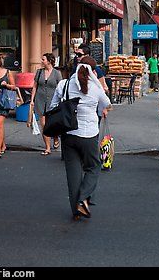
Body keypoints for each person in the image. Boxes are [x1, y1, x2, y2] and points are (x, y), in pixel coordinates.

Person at [51, 55, 111, 220]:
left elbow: (53, 106)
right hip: (89, 134)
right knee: (94, 166)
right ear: (92, 71)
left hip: (69, 134)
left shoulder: (64, 84)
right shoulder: (95, 87)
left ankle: (76, 209)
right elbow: (106, 103)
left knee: (73, 173)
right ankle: (83, 198)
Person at [29, 53, 63, 156]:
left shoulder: (57, 73)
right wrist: (32, 100)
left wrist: (61, 100)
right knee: (44, 124)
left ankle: (56, 136)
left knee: (52, 123)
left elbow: (60, 87)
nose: (41, 61)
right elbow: (35, 86)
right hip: (40, 100)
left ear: (49, 61)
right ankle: (47, 147)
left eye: (43, 59)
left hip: (53, 100)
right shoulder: (39, 72)